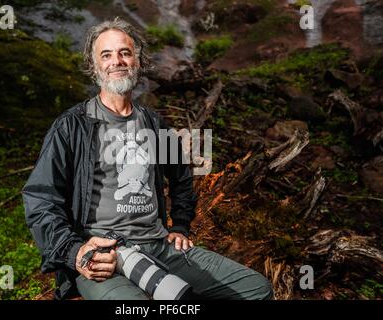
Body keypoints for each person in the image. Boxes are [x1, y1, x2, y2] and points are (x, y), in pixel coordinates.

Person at [22, 17, 273, 300]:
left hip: (160, 246)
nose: (116, 61)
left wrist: (179, 224)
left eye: (125, 52)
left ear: (137, 62)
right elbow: (40, 198)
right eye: (106, 55)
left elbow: (181, 178)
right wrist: (74, 250)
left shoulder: (155, 125)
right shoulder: (72, 126)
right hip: (104, 255)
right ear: (94, 67)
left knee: (257, 290)